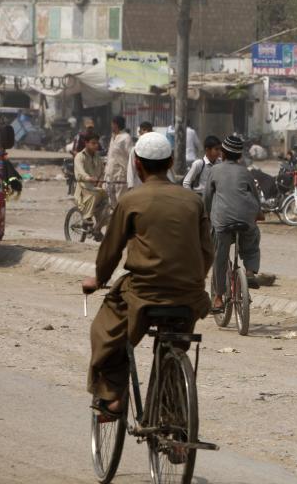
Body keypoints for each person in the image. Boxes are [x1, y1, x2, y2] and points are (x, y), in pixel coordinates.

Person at [81, 132, 213, 418]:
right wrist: (195, 280)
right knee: (176, 342)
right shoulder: (193, 201)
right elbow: (207, 251)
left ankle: (113, 397)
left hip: (144, 293)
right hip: (189, 296)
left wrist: (98, 280)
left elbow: (111, 250)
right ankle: (174, 417)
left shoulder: (131, 199)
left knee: (105, 333)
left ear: (137, 165)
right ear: (172, 162)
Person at [204, 135, 263, 299]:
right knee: (252, 238)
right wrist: (258, 213)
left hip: (222, 223)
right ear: (239, 155)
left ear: (222, 153)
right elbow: (255, 197)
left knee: (220, 257)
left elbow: (207, 197)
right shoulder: (245, 172)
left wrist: (206, 217)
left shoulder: (214, 170)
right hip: (246, 220)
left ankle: (217, 299)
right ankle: (250, 271)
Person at [74, 133, 109, 240]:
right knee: (94, 195)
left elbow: (102, 171)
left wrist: (102, 180)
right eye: (93, 143)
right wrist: (88, 178)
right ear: (86, 143)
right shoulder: (80, 156)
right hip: (83, 188)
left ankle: (97, 228)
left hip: (94, 188)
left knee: (106, 200)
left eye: (97, 143)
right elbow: (80, 171)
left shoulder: (98, 157)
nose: (96, 146)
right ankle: (87, 217)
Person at [104, 116, 132, 208]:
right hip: (110, 173)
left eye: (112, 124)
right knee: (111, 201)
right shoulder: (113, 137)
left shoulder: (126, 138)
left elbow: (130, 155)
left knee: (121, 200)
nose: (111, 126)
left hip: (121, 174)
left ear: (116, 124)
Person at [125, 122, 153, 190]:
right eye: (144, 130)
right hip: (138, 184)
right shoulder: (135, 150)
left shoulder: (156, 148)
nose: (146, 133)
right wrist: (130, 185)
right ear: (140, 132)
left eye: (148, 131)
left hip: (153, 184)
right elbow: (131, 168)